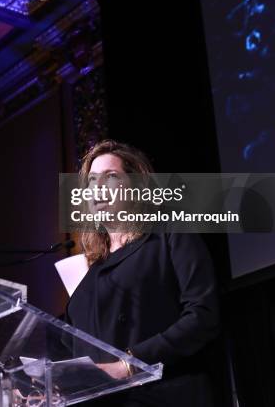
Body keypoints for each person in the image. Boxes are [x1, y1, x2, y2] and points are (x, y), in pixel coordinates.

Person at [64, 139, 221, 407]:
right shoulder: (88, 274)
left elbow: (203, 314)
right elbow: (70, 348)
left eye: (110, 177)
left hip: (166, 396)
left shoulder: (168, 234)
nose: (97, 188)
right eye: (91, 181)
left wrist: (129, 364)